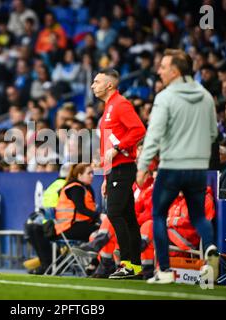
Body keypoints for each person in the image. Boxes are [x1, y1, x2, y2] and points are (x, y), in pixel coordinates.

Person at [136, 49, 219, 284]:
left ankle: (164, 271)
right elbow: (213, 133)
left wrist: (143, 166)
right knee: (199, 217)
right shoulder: (205, 96)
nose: (159, 71)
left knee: (158, 216)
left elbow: (153, 135)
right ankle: (210, 248)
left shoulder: (165, 97)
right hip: (198, 168)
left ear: (175, 71)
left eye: (162, 67)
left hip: (172, 166)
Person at [91, 68, 146, 279]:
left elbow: (139, 130)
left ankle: (127, 264)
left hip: (123, 167)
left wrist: (119, 147)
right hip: (115, 170)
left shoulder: (120, 104)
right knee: (128, 217)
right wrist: (106, 177)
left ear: (109, 85)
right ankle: (136, 266)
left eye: (97, 81)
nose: (93, 85)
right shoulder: (108, 107)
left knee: (114, 213)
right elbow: (107, 148)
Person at [26, 164, 99, 275]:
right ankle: (95, 265)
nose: (92, 176)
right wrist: (99, 216)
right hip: (67, 227)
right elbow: (81, 209)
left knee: (101, 232)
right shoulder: (75, 187)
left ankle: (93, 264)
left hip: (60, 226)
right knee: (102, 232)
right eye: (89, 173)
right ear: (79, 175)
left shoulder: (76, 187)